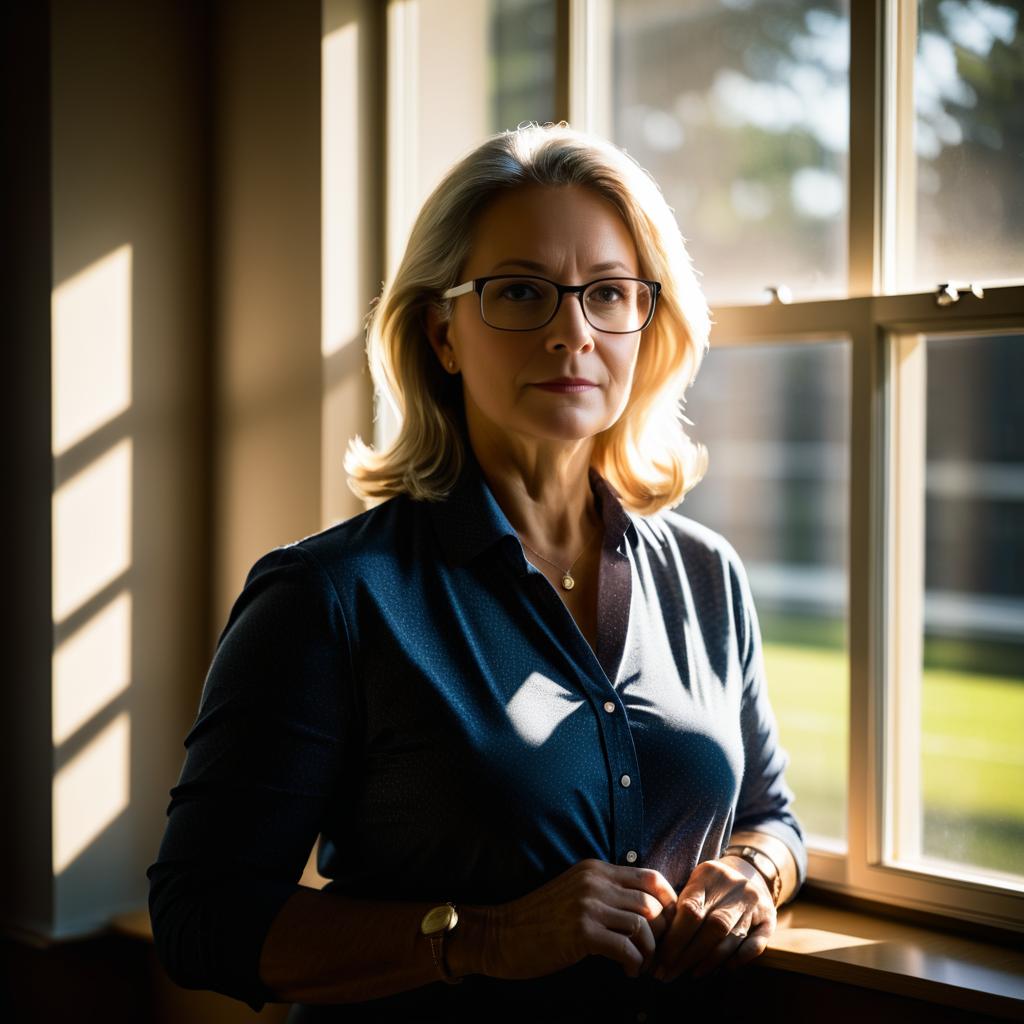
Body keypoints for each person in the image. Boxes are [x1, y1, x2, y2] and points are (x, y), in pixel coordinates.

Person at [147, 122, 806, 1023]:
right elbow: (201, 918)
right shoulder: (329, 598)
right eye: (521, 293)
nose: (572, 333)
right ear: (442, 333)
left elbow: (775, 818)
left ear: (647, 324)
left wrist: (754, 875)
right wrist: (484, 937)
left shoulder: (708, 576)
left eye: (609, 294)